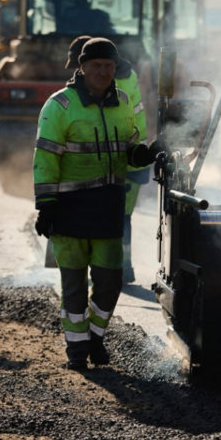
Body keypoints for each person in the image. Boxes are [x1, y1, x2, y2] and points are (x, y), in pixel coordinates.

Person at [33, 37, 160, 371]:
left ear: (116, 68)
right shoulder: (59, 106)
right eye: (97, 65)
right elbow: (45, 158)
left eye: (109, 65)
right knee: (73, 286)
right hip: (69, 211)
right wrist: (45, 205)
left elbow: (129, 148)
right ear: (82, 67)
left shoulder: (122, 103)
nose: (104, 71)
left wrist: (142, 155)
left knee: (110, 283)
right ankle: (77, 351)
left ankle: (94, 336)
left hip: (107, 209)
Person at [64, 36, 150, 285]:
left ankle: (113, 269)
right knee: (121, 217)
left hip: (123, 159)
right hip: (135, 159)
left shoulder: (109, 84)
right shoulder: (126, 73)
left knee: (112, 217)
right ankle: (122, 268)